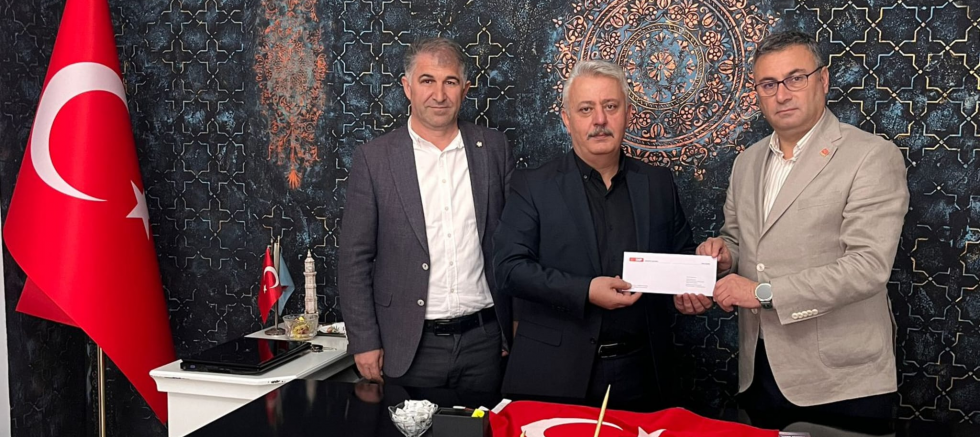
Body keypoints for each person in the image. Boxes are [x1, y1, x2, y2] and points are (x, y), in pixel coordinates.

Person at [696, 31, 909, 419]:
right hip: (758, 370)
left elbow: (868, 267)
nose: (782, 94)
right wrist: (725, 256)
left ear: (822, 80)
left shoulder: (871, 156)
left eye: (795, 79)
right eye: (768, 84)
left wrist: (762, 292)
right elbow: (740, 240)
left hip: (841, 381)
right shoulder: (746, 163)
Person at [492, 59, 705, 411]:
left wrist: (695, 286)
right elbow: (508, 269)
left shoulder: (658, 184)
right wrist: (586, 291)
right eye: (586, 109)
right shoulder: (533, 185)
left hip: (643, 373)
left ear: (628, 114)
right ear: (567, 119)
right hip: (553, 374)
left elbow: (682, 256)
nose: (600, 120)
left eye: (610, 106)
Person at [338, 37, 514, 392]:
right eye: (427, 80)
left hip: (483, 341)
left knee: (482, 424)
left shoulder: (493, 149)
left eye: (450, 82)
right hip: (407, 344)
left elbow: (515, 245)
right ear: (407, 87)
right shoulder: (375, 159)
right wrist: (364, 340)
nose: (439, 94)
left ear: (465, 89)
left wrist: (514, 325)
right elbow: (354, 258)